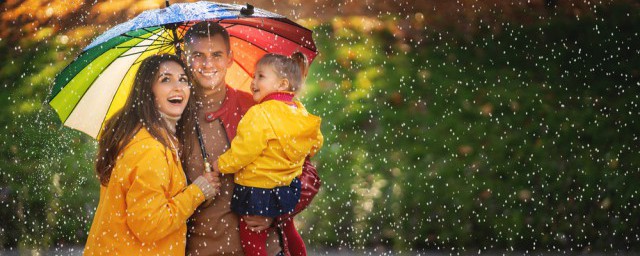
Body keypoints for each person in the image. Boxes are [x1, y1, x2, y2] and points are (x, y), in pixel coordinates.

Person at [179, 21, 321, 256]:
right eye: (197, 55)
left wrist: (275, 212)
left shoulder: (259, 107)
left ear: (230, 58)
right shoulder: (174, 116)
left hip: (267, 248)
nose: (207, 64)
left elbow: (306, 175)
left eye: (216, 54)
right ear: (186, 59)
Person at [84, 54, 220, 255]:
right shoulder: (150, 149)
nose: (178, 86)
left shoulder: (150, 138)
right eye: (166, 79)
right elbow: (150, 225)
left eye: (183, 79)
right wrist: (197, 192)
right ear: (148, 91)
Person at [213, 52, 323, 256]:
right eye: (254, 76)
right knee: (290, 231)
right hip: (288, 186)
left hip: (258, 189)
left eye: (260, 76)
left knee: (252, 240)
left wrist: (221, 164)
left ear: (282, 84)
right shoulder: (299, 110)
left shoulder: (259, 113)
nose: (253, 82)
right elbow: (315, 143)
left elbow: (244, 152)